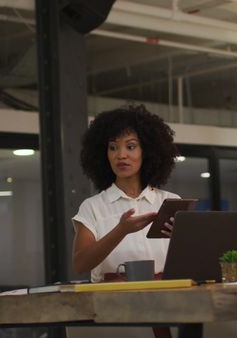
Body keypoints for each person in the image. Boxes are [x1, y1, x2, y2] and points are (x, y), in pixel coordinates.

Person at [71, 105, 178, 338]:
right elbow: (80, 264)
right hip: (114, 312)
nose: (121, 155)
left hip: (167, 306)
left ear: (147, 151)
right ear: (103, 154)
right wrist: (120, 230)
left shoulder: (170, 202)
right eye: (112, 147)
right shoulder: (92, 207)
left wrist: (183, 241)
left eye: (130, 146)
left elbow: (193, 263)